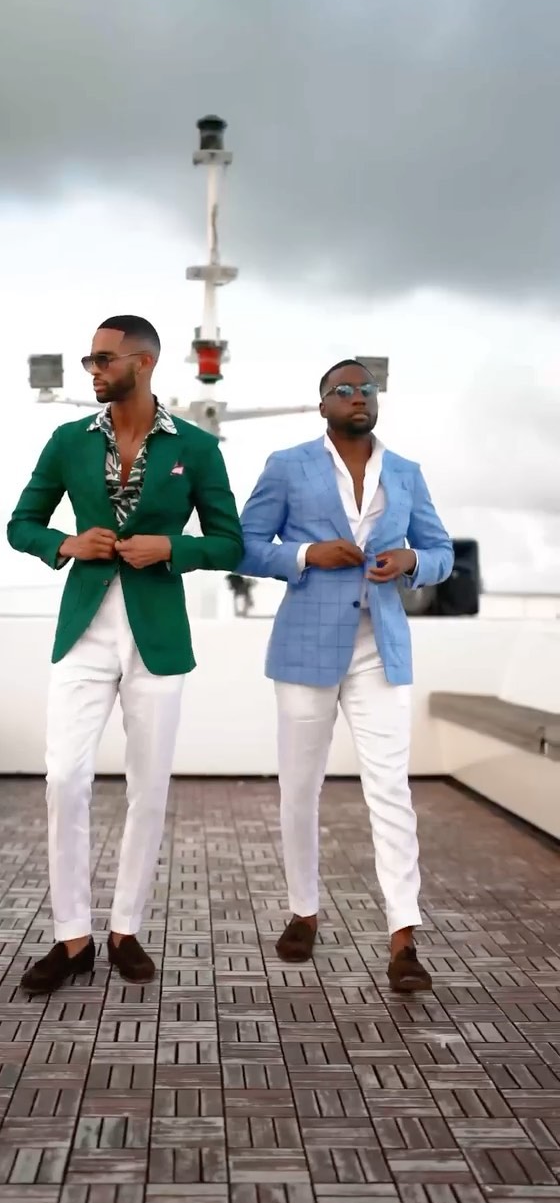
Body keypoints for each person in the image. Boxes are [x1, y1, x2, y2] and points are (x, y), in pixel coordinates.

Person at [7, 315, 243, 994]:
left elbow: (229, 542)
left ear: (142, 362)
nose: (92, 369)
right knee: (64, 778)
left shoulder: (196, 448)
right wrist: (65, 543)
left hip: (157, 635)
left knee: (149, 787)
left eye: (103, 359)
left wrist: (173, 547)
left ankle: (125, 930)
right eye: (89, 360)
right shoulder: (68, 441)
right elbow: (21, 523)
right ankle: (72, 937)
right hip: (84, 631)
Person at [236, 360, 453, 992]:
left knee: (391, 790)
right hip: (305, 647)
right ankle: (303, 911)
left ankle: (404, 937)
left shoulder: (406, 471)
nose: (359, 396)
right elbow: (244, 545)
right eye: (345, 390)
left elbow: (441, 552)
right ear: (323, 404)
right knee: (300, 789)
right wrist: (307, 553)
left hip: (380, 648)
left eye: (367, 389)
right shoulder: (287, 465)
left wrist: (412, 560)